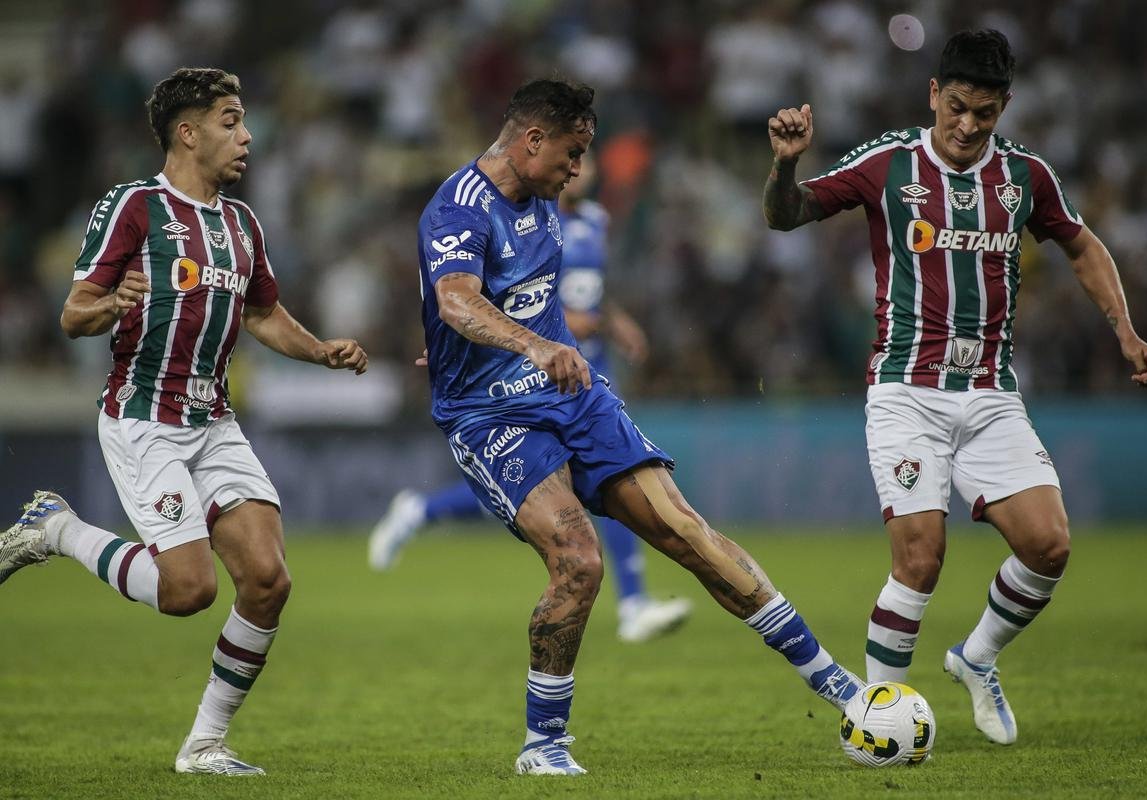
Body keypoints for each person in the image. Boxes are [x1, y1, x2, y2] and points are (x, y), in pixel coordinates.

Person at [417, 77, 862, 777]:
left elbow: (495, 303)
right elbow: (454, 299)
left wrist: (504, 336)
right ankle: (544, 746)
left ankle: (845, 692)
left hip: (573, 394)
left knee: (686, 531)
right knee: (579, 560)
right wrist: (520, 344)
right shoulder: (458, 206)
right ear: (532, 139)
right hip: (491, 414)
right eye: (571, 153)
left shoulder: (544, 199)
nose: (576, 170)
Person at [762, 29, 1147, 745]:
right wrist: (784, 168)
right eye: (955, 108)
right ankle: (877, 719)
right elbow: (784, 215)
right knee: (919, 557)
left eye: (984, 112)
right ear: (932, 96)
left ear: (1003, 106)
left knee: (1048, 548)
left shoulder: (1023, 177)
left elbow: (1079, 243)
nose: (967, 125)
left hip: (989, 392)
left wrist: (1124, 331)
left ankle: (975, 659)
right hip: (904, 389)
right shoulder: (888, 162)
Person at [0, 68, 368, 775]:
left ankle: (204, 745)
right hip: (144, 417)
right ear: (188, 132)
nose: (247, 135)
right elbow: (74, 312)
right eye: (231, 121)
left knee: (268, 579)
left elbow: (261, 313)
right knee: (188, 592)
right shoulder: (135, 207)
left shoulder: (242, 224)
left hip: (215, 420)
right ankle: (58, 529)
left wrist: (318, 350)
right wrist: (110, 304)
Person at [369, 157, 692, 644]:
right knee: (551, 487)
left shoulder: (594, 221)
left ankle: (632, 602)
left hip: (585, 371)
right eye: (570, 159)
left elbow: (591, 294)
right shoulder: (529, 215)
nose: (579, 169)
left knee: (612, 478)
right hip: (532, 373)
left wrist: (615, 319)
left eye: (586, 159)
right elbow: (521, 299)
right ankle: (422, 512)